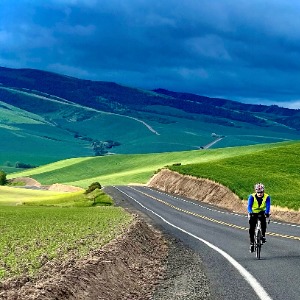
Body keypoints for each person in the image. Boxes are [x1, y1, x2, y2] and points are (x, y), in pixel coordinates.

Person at [247, 183, 271, 253]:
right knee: (252, 228)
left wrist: (267, 212)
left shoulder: (267, 197)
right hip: (253, 212)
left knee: (264, 223)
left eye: (261, 192)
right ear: (255, 191)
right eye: (258, 192)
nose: (260, 194)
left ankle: (263, 235)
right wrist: (250, 212)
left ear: (263, 191)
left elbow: (268, 205)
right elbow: (249, 206)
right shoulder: (251, 197)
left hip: (262, 212)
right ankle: (252, 243)